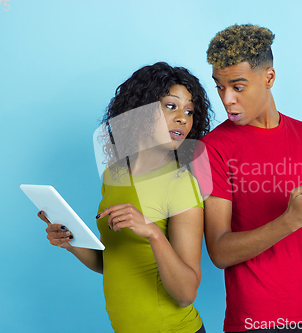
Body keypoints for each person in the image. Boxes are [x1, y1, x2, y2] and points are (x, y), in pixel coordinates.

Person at [194, 24, 302, 332]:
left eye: (238, 87)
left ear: (269, 78)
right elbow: (220, 251)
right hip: (256, 318)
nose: (227, 100)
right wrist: (291, 219)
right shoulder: (212, 148)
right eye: (220, 87)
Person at [37, 62, 213, 333]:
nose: (183, 118)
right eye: (171, 106)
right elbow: (114, 263)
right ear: (139, 111)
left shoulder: (181, 184)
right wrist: (70, 243)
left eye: (189, 111)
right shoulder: (114, 175)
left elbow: (186, 292)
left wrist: (153, 232)